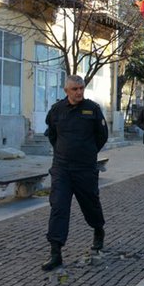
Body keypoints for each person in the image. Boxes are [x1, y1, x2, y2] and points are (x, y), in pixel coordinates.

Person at [41, 75, 109, 271]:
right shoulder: (56, 110)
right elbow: (52, 135)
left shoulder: (92, 109)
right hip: (62, 168)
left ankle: (98, 229)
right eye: (75, 89)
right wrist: (63, 152)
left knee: (90, 203)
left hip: (85, 168)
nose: (79, 92)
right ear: (66, 91)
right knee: (58, 207)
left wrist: (87, 151)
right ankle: (55, 252)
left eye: (81, 88)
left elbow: (102, 136)